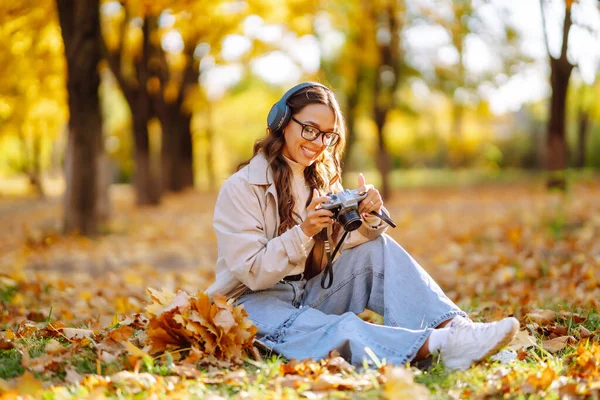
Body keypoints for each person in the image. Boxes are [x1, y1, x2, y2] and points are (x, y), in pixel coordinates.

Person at [205, 82, 519, 371]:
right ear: (283, 121)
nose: (318, 143)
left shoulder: (321, 180)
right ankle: (441, 347)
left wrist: (369, 219)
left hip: (306, 291)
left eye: (327, 135)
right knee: (339, 328)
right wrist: (303, 232)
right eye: (310, 130)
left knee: (378, 248)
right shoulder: (242, 187)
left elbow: (339, 246)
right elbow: (253, 271)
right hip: (251, 306)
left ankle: (454, 329)